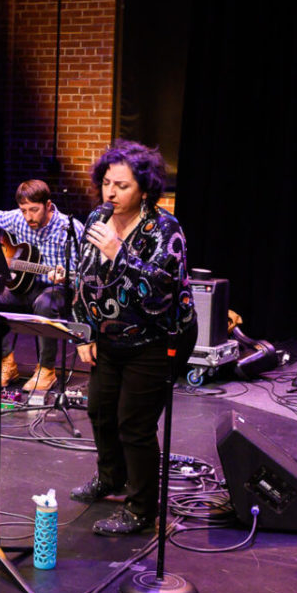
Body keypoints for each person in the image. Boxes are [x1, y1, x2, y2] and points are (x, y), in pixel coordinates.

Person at [69, 140, 189, 536]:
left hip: (154, 340)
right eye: (106, 183)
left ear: (144, 189)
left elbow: (160, 293)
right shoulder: (96, 221)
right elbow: (83, 279)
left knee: (134, 425)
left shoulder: (164, 229)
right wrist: (82, 330)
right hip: (108, 338)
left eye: (121, 186)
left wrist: (120, 253)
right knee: (100, 411)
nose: (110, 192)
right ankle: (111, 478)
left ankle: (141, 510)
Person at [0, 179, 83, 398]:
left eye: (34, 210)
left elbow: (79, 276)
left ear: (48, 205)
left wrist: (63, 278)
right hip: (22, 286)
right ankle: (6, 362)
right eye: (24, 210)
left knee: (45, 303)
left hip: (54, 289)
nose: (28, 217)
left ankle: (47, 370)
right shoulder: (18, 218)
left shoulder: (69, 229)